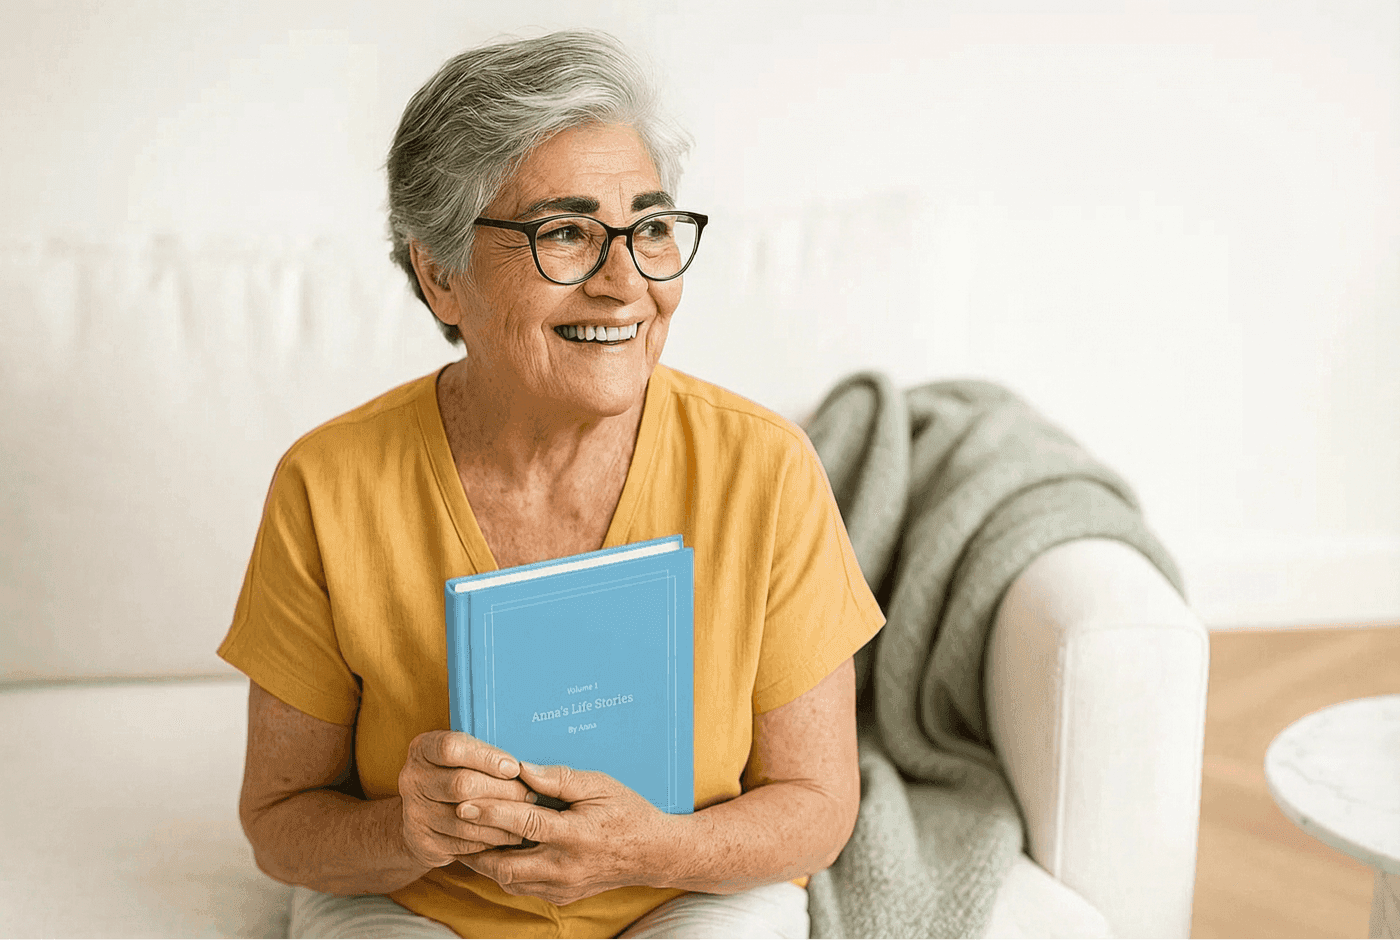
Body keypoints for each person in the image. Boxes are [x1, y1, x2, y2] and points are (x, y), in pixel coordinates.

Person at [219, 29, 884, 940]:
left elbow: (817, 806)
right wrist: (409, 830)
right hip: (410, 897)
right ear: (439, 274)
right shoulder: (327, 485)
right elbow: (282, 828)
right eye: (565, 233)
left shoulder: (764, 468)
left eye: (649, 228)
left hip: (687, 888)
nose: (626, 283)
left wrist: (654, 851)